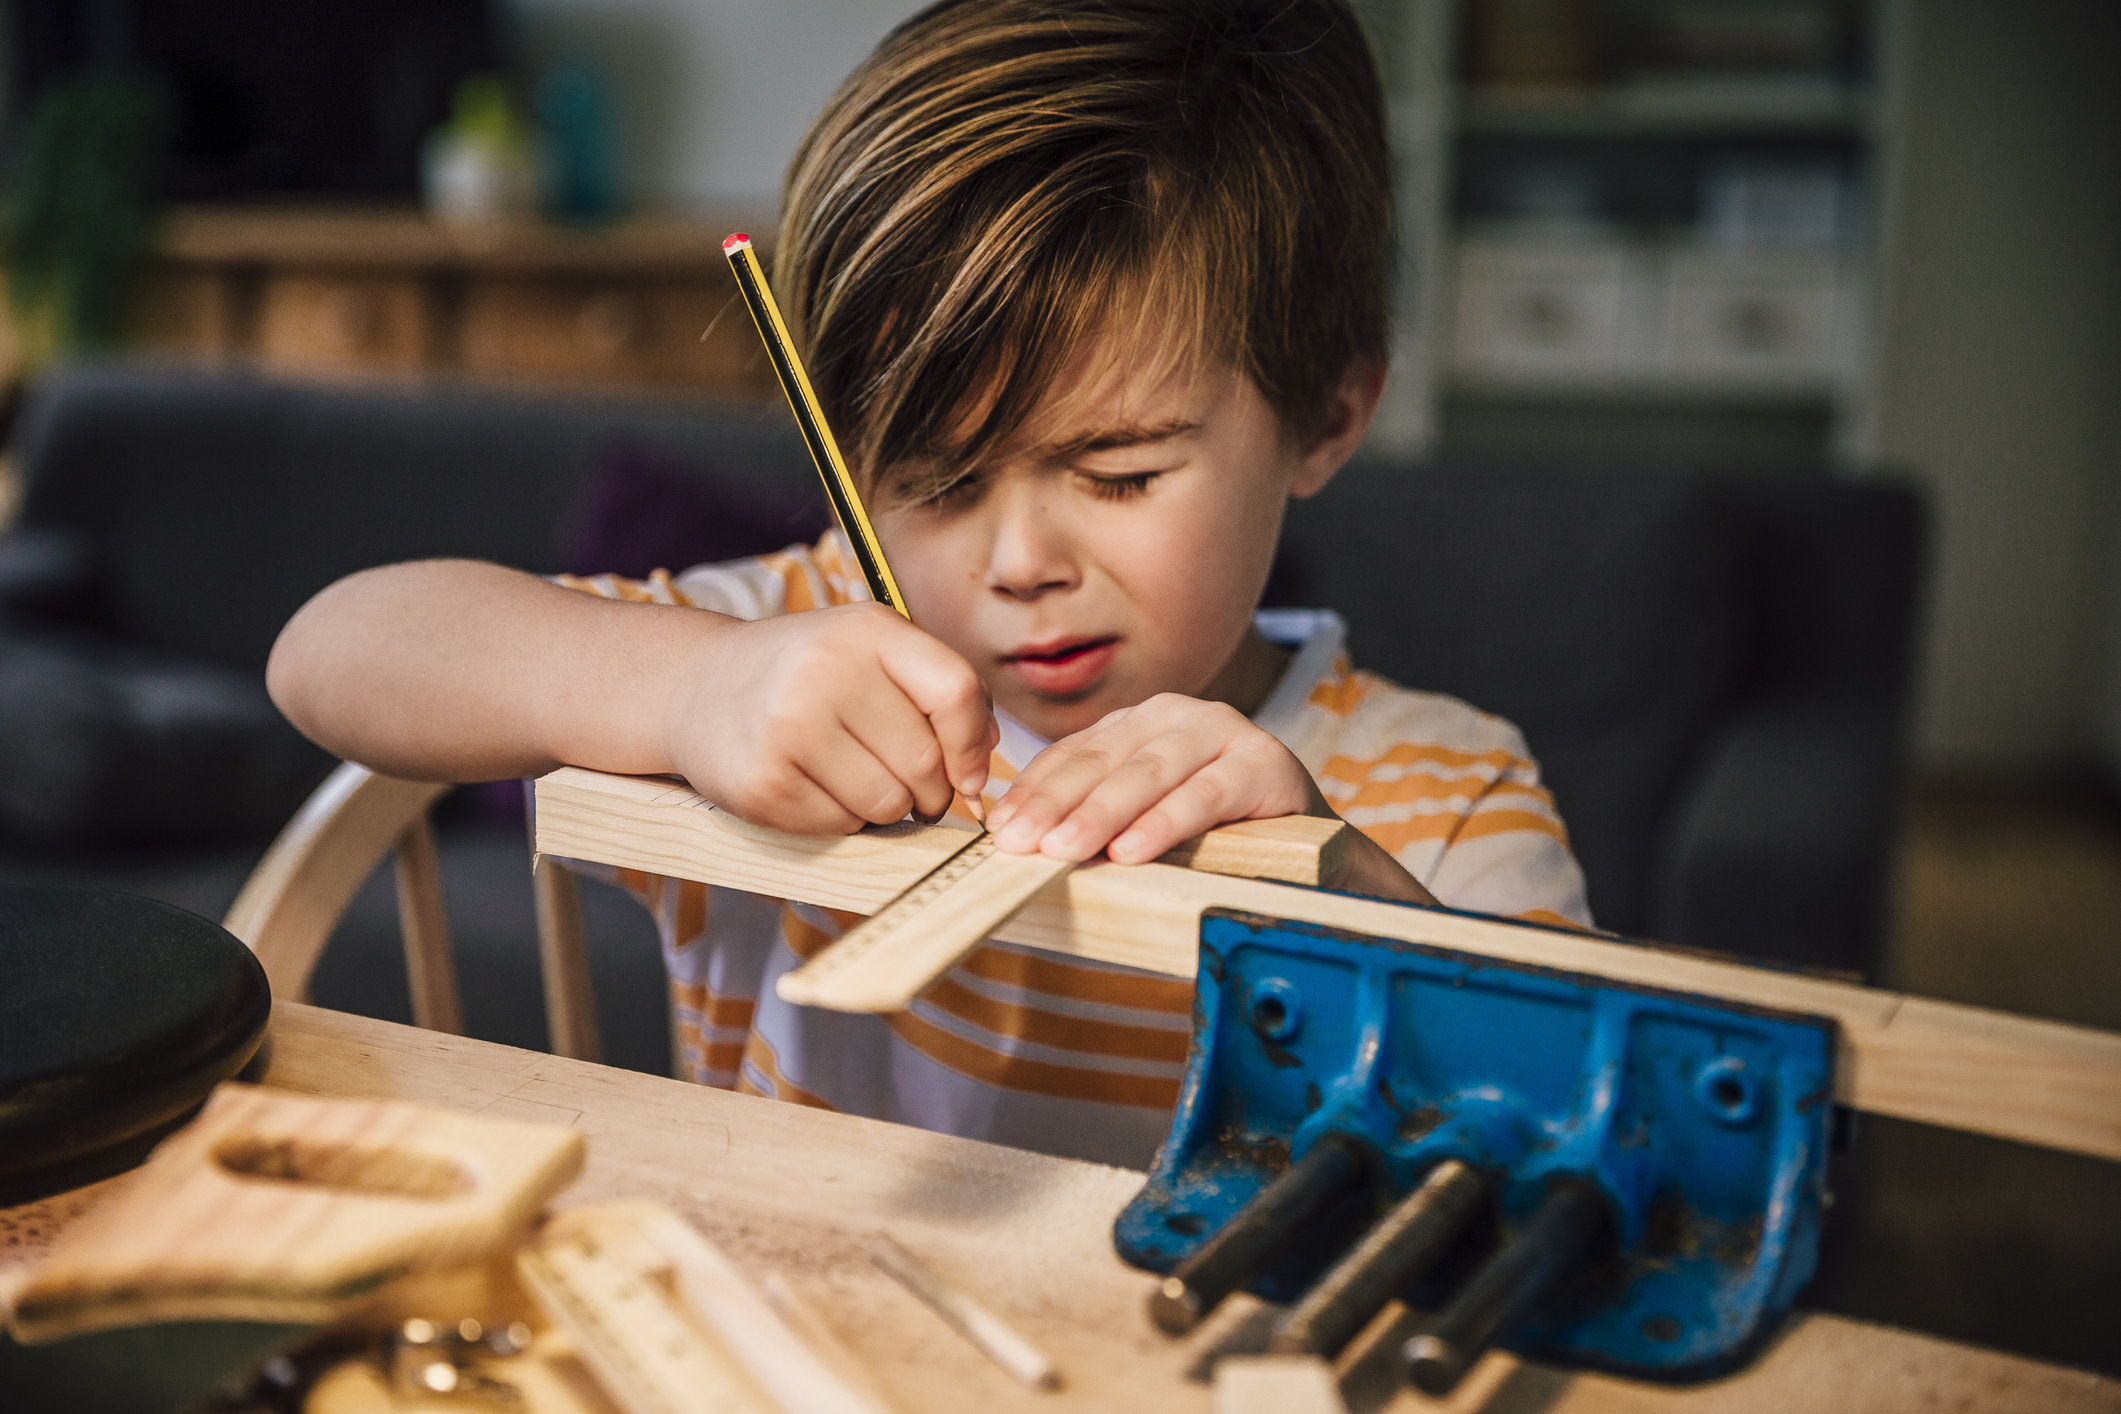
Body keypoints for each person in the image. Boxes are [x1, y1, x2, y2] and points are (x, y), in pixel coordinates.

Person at [268, 0, 1591, 1168]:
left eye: (1119, 473)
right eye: (939, 482)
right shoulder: (800, 651)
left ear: (1326, 412)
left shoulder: (1446, 792)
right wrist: (687, 689)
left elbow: (1584, 1147)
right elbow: (329, 651)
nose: (1019, 564)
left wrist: (1333, 880)